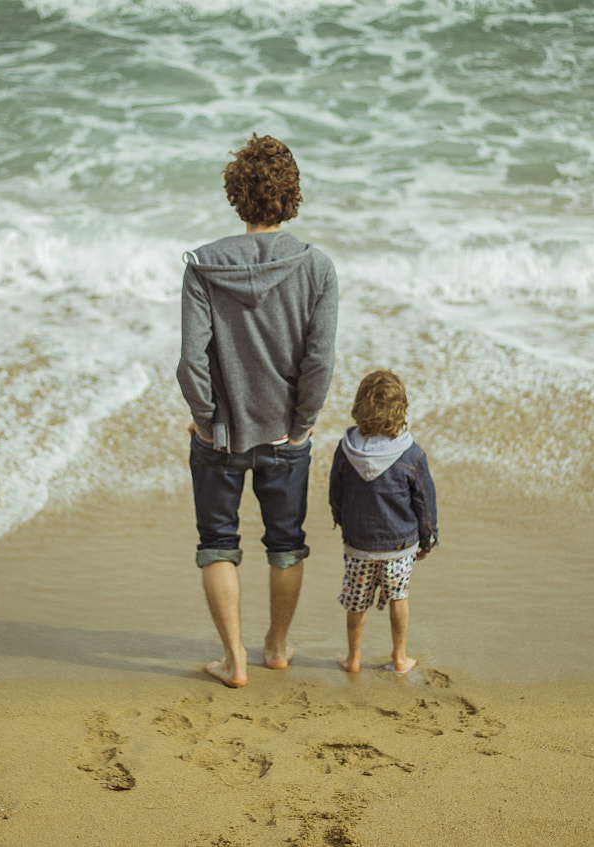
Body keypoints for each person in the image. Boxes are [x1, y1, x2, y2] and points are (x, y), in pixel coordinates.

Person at [177, 134, 338, 688]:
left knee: (217, 542)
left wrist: (204, 418)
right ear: (291, 197)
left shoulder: (203, 266)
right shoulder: (318, 268)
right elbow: (319, 361)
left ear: (235, 195)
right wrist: (300, 426)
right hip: (285, 436)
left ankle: (234, 660)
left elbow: (189, 360)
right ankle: (274, 647)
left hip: (220, 434)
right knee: (286, 544)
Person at [328, 368, 438, 674]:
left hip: (359, 545)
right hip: (400, 546)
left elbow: (335, 491)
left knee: (356, 602)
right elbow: (425, 503)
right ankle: (400, 658)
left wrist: (342, 521)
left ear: (359, 404)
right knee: (398, 598)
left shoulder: (346, 449)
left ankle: (353, 658)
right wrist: (428, 539)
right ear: (401, 408)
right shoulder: (411, 454)